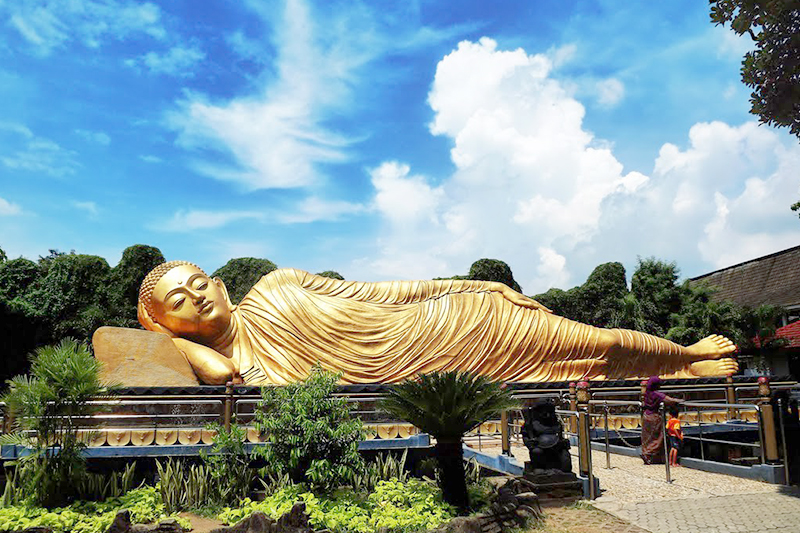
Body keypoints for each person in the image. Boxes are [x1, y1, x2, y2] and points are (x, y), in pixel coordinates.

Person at [136, 261, 739, 385]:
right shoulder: (239, 367)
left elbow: (379, 292)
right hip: (434, 374)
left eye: (197, 284)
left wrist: (466, 284)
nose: (197, 299)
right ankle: (686, 365)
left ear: (218, 281)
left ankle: (685, 355)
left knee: (596, 340)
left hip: (450, 321)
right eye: (177, 303)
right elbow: (216, 374)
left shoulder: (278, 285)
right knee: (577, 366)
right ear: (166, 324)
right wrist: (172, 348)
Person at [641, 376, 682, 464]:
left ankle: (646, 453)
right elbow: (669, 400)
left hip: (646, 416)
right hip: (654, 417)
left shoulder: (646, 392)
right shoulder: (656, 394)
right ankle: (649, 454)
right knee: (657, 437)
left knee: (647, 436)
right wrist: (679, 400)